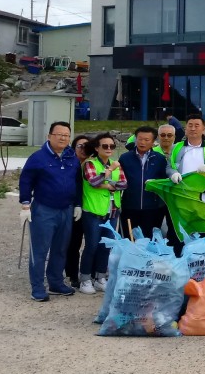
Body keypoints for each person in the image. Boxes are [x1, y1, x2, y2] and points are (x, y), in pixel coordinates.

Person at [18, 121, 80, 301]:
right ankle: (37, 287)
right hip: (44, 209)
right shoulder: (38, 157)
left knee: (61, 248)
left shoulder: (71, 157)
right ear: (49, 136)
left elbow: (77, 182)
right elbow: (26, 180)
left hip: (66, 209)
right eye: (59, 134)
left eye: (67, 135)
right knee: (40, 249)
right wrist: (25, 203)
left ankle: (55, 282)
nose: (63, 138)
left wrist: (77, 204)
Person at [79, 133, 126, 295]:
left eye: (111, 146)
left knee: (106, 246)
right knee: (91, 245)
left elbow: (123, 184)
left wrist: (106, 183)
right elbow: (93, 182)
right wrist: (109, 174)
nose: (109, 149)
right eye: (105, 146)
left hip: (112, 211)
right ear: (97, 148)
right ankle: (85, 278)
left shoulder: (115, 163)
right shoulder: (90, 164)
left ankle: (100, 277)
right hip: (94, 211)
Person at [118, 126, 168, 240]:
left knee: (149, 240)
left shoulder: (159, 159)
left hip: (151, 208)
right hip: (129, 207)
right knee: (129, 239)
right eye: (140, 139)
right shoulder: (125, 158)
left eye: (147, 140)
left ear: (153, 141)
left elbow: (164, 181)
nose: (142, 142)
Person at [167, 113, 205, 183]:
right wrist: (173, 174)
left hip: (204, 189)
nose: (193, 129)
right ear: (186, 128)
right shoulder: (175, 147)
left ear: (203, 129)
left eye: (197, 126)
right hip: (181, 188)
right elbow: (169, 167)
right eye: (190, 125)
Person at [64, 134, 90, 289]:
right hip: (75, 209)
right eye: (80, 145)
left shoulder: (95, 164)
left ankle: (91, 273)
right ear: (74, 147)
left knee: (92, 244)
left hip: (93, 209)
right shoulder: (69, 164)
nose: (83, 149)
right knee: (73, 243)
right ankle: (72, 274)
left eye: (86, 146)